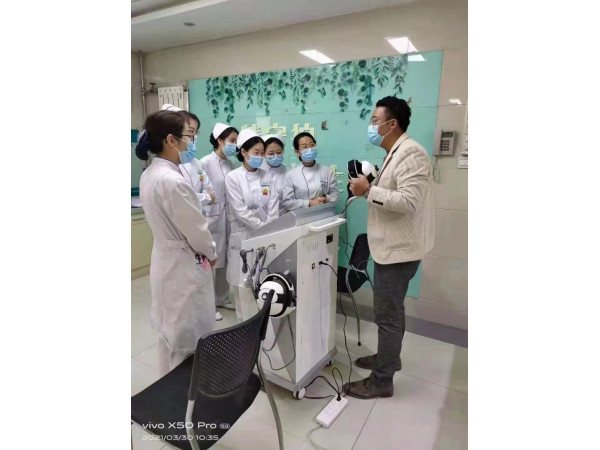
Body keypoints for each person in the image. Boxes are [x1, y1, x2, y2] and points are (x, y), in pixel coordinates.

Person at [344, 96, 435, 399]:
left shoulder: (411, 153)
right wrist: (373, 185)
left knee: (387, 316)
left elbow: (409, 202)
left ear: (391, 124)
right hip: (393, 247)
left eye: (375, 121)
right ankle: (389, 359)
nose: (371, 126)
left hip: (399, 252)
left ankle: (382, 380)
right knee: (393, 311)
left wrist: (368, 190)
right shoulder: (394, 152)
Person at [138, 110, 218, 376]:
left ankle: (167, 387)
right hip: (183, 266)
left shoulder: (151, 173)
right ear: (171, 140)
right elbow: (196, 230)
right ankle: (184, 394)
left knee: (168, 331)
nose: (192, 141)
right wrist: (211, 254)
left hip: (165, 259)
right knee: (186, 336)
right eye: (189, 135)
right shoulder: (173, 181)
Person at [225, 129, 279, 320]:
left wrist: (269, 228)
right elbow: (240, 211)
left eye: (262, 153)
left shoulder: (267, 176)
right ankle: (244, 327)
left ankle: (263, 328)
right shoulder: (233, 177)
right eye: (256, 152)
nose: (260, 156)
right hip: (242, 237)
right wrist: (263, 227)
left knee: (263, 283)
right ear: (243, 152)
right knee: (243, 287)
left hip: (265, 237)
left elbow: (274, 206)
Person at [198, 123, 239, 315]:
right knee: (210, 261)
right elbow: (199, 190)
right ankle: (208, 305)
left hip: (228, 218)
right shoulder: (204, 163)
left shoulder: (231, 165)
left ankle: (221, 298)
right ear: (220, 140)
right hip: (211, 218)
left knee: (225, 259)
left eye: (236, 141)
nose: (235, 144)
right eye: (232, 140)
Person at [282, 132, 338, 211]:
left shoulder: (327, 171)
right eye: (305, 147)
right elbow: (288, 203)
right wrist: (309, 203)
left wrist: (326, 198)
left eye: (312, 145)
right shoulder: (291, 175)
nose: (310, 149)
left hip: (324, 215)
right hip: (302, 216)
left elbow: (335, 197)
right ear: (297, 152)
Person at [261, 134, 288, 216]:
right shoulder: (258, 172)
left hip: (284, 216)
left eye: (279, 152)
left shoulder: (289, 173)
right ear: (264, 154)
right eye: (271, 153)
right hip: (262, 217)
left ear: (283, 151)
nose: (276, 156)